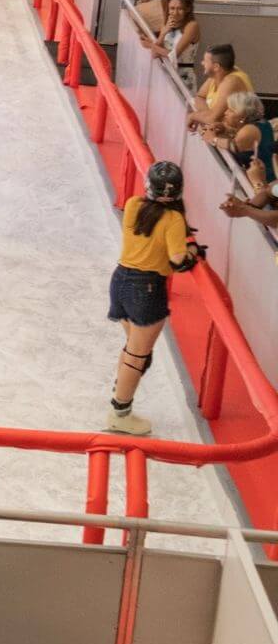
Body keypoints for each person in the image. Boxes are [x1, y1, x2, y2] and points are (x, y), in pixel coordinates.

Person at [104, 162, 203, 436]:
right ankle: (119, 411)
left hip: (121, 279)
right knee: (138, 355)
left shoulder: (135, 205)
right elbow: (178, 260)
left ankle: (120, 391)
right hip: (146, 288)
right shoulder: (173, 221)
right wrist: (192, 252)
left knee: (132, 350)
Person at [206, 92, 276, 187]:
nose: (225, 113)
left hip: (261, 184)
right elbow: (240, 136)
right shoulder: (262, 123)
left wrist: (213, 139)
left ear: (242, 115)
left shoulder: (250, 130)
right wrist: (224, 129)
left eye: (231, 110)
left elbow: (233, 145)